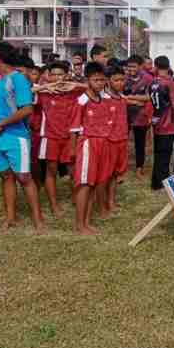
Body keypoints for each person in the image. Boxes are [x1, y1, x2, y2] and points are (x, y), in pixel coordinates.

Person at [0, 42, 46, 234]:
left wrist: (2, 124)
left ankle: (38, 221)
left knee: (24, 178)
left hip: (15, 137)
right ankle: (11, 218)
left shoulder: (18, 80)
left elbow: (27, 109)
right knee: (6, 176)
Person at [70, 62, 112, 235]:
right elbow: (73, 128)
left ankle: (86, 222)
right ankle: (79, 224)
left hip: (103, 143)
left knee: (94, 184)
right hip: (88, 143)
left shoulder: (104, 98)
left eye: (102, 80)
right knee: (85, 183)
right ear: (88, 80)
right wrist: (72, 150)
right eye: (96, 80)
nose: (100, 83)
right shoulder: (82, 100)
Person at [37, 61, 82, 218]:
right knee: (51, 171)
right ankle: (54, 205)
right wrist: (44, 87)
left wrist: (71, 84)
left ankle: (76, 197)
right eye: (53, 74)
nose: (57, 78)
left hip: (69, 137)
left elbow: (92, 88)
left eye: (60, 74)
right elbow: (26, 91)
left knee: (72, 170)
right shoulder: (43, 93)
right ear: (48, 76)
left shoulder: (74, 92)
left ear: (66, 75)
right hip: (50, 137)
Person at [149, 55, 174, 190]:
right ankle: (161, 183)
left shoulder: (152, 83)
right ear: (168, 67)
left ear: (156, 67)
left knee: (158, 153)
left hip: (156, 122)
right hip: (168, 124)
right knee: (165, 154)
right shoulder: (170, 83)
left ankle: (156, 181)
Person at [102, 66, 129, 217]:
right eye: (116, 80)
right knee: (105, 174)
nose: (120, 83)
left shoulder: (122, 98)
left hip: (121, 139)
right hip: (109, 141)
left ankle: (111, 201)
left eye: (122, 80)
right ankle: (102, 203)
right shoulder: (103, 98)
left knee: (114, 174)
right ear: (108, 81)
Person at [123, 55, 152, 180]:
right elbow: (120, 96)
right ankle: (122, 168)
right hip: (125, 115)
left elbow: (149, 97)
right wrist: (135, 101)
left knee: (140, 143)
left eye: (133, 66)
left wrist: (130, 98)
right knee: (122, 142)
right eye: (129, 67)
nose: (131, 69)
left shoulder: (148, 79)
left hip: (141, 116)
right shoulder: (124, 79)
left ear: (140, 66)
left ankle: (139, 168)